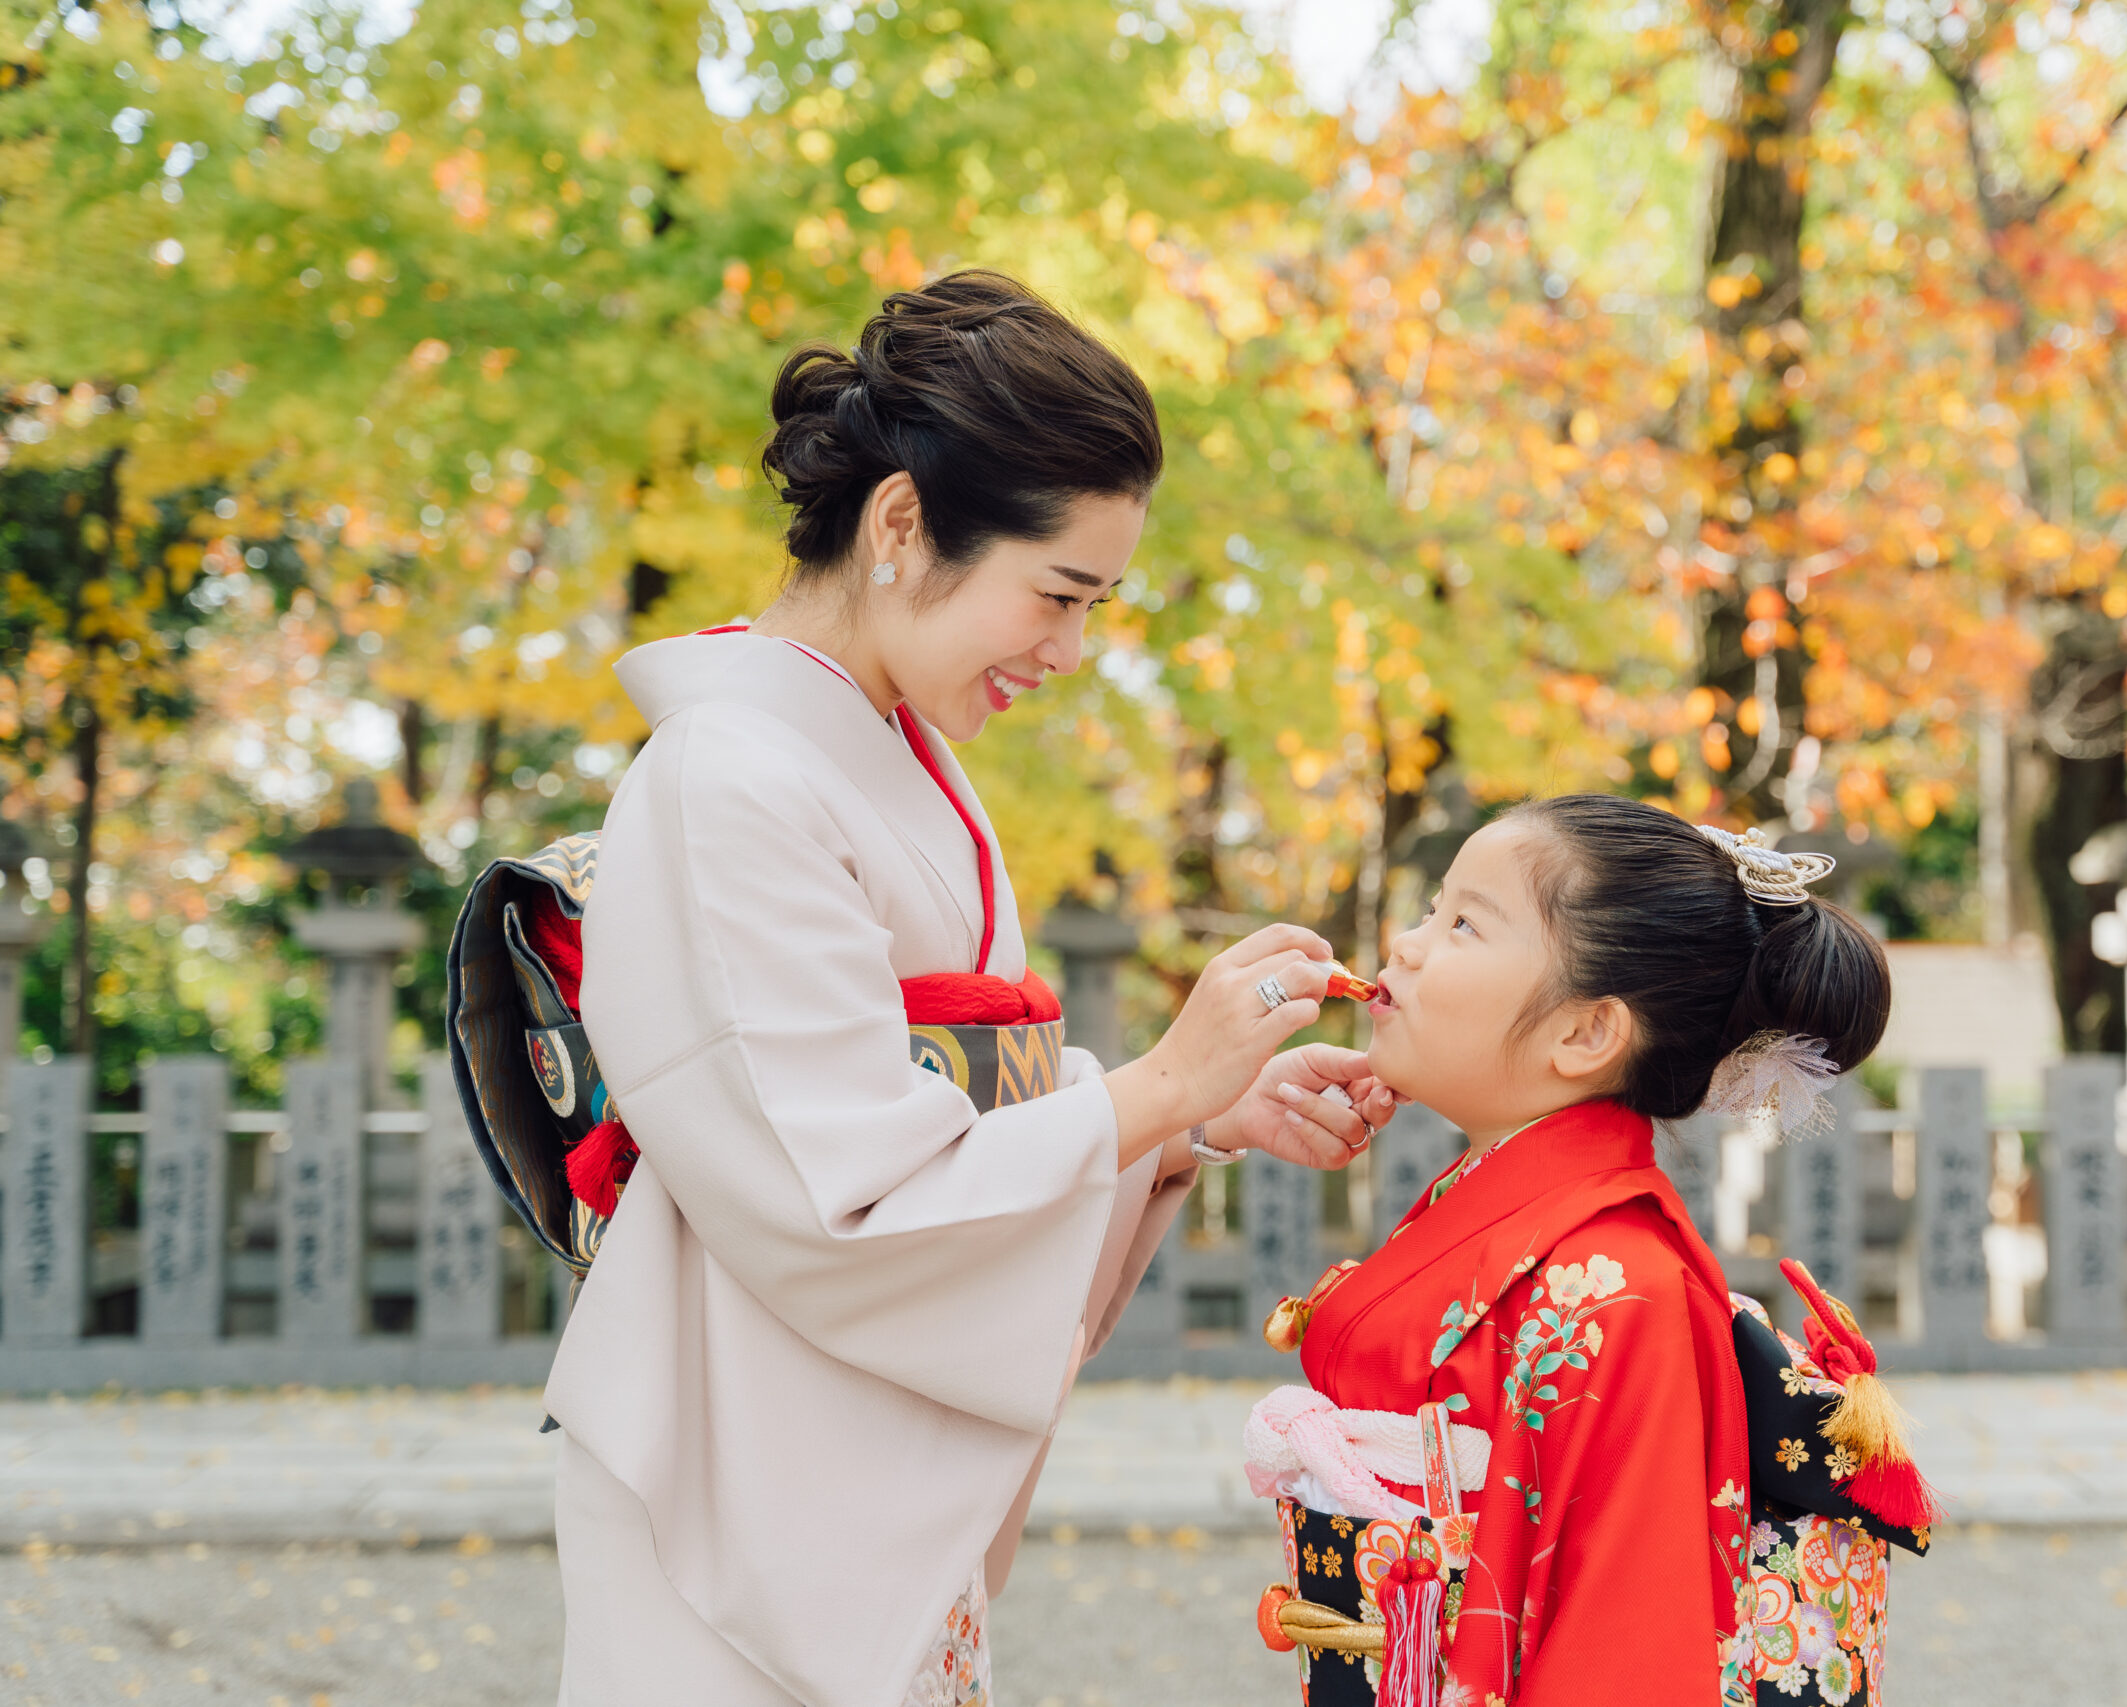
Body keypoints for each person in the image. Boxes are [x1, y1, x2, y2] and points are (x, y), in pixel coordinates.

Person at [545, 271, 1395, 1707]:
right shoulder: (727, 778)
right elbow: (840, 1201)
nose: (1067, 652)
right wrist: (1158, 1086)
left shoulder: (890, 753)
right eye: (1056, 595)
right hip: (746, 1443)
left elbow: (934, 1125)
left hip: (847, 1439)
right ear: (899, 524)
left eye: (1093, 607)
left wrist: (1193, 1117)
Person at [1242, 796, 1931, 1707]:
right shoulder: (1530, 1222)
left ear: (1585, 1033)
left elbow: (1626, 1648)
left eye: (1462, 924)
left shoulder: (1617, 1286)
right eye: (1432, 909)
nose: (1405, 944)